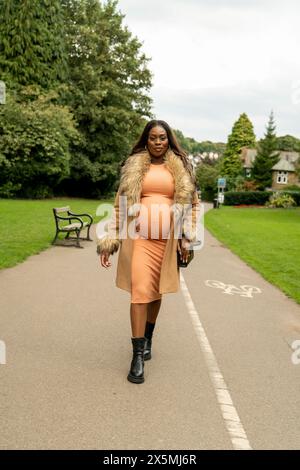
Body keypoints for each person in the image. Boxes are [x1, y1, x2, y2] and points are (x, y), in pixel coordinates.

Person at [96, 120, 200, 384]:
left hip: (166, 243)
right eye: (153, 137)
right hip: (138, 239)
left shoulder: (180, 168)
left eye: (162, 138)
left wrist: (187, 237)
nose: (157, 142)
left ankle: (148, 338)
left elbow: (193, 205)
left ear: (169, 140)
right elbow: (120, 205)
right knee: (140, 293)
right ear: (146, 139)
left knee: (155, 293)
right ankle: (137, 356)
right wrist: (110, 239)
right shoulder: (134, 167)